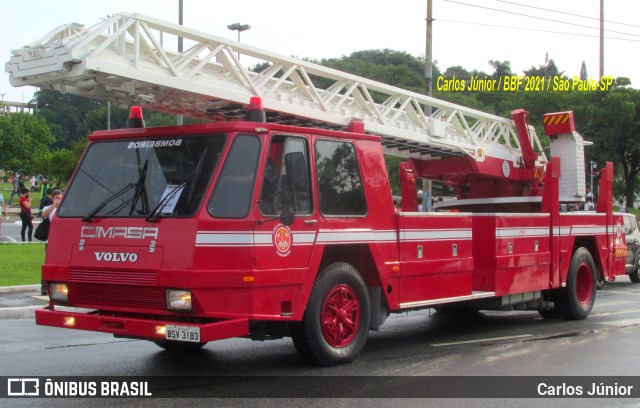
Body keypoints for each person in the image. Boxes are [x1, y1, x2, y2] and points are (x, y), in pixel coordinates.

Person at [41, 189, 63, 294]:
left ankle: (58, 286)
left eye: (60, 198)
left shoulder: (64, 208)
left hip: (61, 241)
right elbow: (44, 214)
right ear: (53, 198)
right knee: (48, 263)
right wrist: (54, 206)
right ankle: (44, 287)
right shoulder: (49, 208)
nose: (59, 200)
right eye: (57, 198)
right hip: (50, 241)